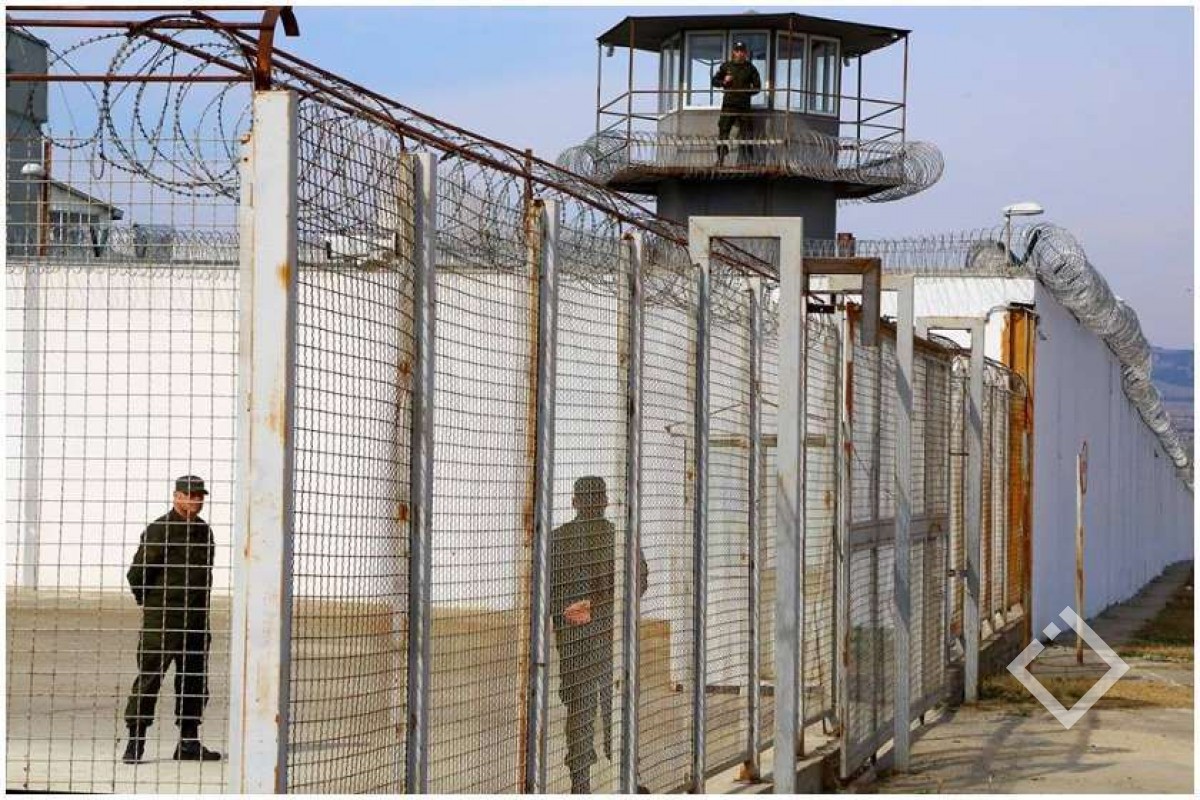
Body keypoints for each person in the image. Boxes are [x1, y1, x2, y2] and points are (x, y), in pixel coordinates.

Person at [549, 476, 648, 794]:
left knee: (579, 709)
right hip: (610, 637)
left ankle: (580, 784)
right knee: (616, 706)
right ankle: (626, 778)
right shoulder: (620, 538)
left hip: (573, 642)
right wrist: (601, 605)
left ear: (574, 502)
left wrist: (567, 610)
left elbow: (543, 589)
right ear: (606, 501)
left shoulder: (557, 539)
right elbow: (640, 580)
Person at [121, 475, 221, 764]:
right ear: (176, 496)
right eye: (190, 495)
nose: (196, 500)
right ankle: (135, 742)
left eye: (200, 496)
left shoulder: (203, 532)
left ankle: (188, 742)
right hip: (163, 621)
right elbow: (137, 574)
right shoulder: (160, 529)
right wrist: (152, 605)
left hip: (196, 621)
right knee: (149, 679)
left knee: (194, 681)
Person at [712, 41, 762, 166]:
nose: (740, 53)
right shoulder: (726, 66)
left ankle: (749, 160)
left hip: (744, 106)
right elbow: (714, 81)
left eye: (742, 51)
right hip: (729, 105)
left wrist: (746, 93)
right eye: (737, 50)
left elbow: (757, 87)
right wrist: (724, 82)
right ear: (733, 52)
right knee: (723, 130)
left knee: (747, 133)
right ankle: (721, 159)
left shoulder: (750, 68)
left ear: (745, 53)